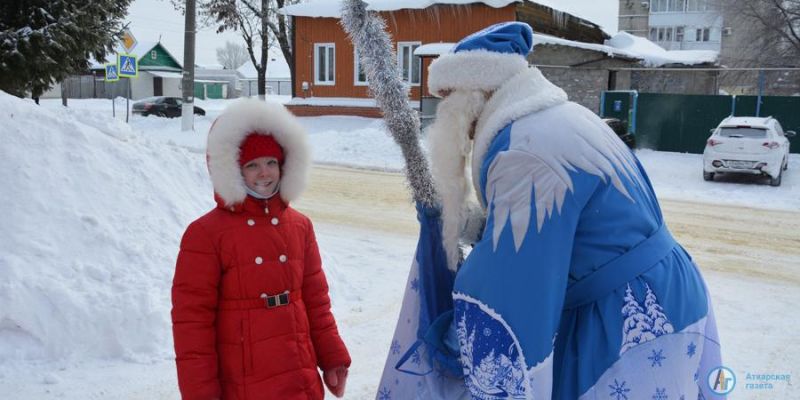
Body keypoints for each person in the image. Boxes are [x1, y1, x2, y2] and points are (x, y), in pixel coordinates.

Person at [421, 22, 724, 399]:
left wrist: (459, 335)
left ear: (474, 94)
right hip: (668, 294)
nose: (451, 118)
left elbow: (512, 289)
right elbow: (567, 229)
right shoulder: (558, 119)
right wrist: (464, 223)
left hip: (625, 321)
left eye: (448, 99)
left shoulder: (523, 152)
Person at [171, 99, 350, 400]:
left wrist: (332, 357)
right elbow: (192, 326)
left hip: (298, 372)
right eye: (252, 165)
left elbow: (316, 301)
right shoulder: (205, 234)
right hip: (244, 381)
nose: (264, 173)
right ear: (233, 170)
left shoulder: (299, 226)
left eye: (271, 162)